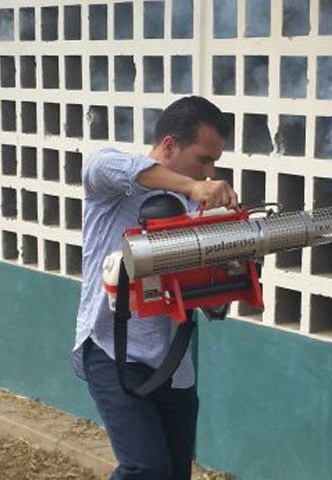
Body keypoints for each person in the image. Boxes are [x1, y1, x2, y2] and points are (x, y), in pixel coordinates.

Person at [71, 96, 238, 480]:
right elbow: (102, 163)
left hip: (174, 366)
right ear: (168, 145)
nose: (209, 172)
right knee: (146, 471)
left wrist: (231, 269)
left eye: (214, 162)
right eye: (203, 159)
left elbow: (212, 306)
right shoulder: (113, 186)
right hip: (113, 351)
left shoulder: (194, 209)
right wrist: (194, 188)